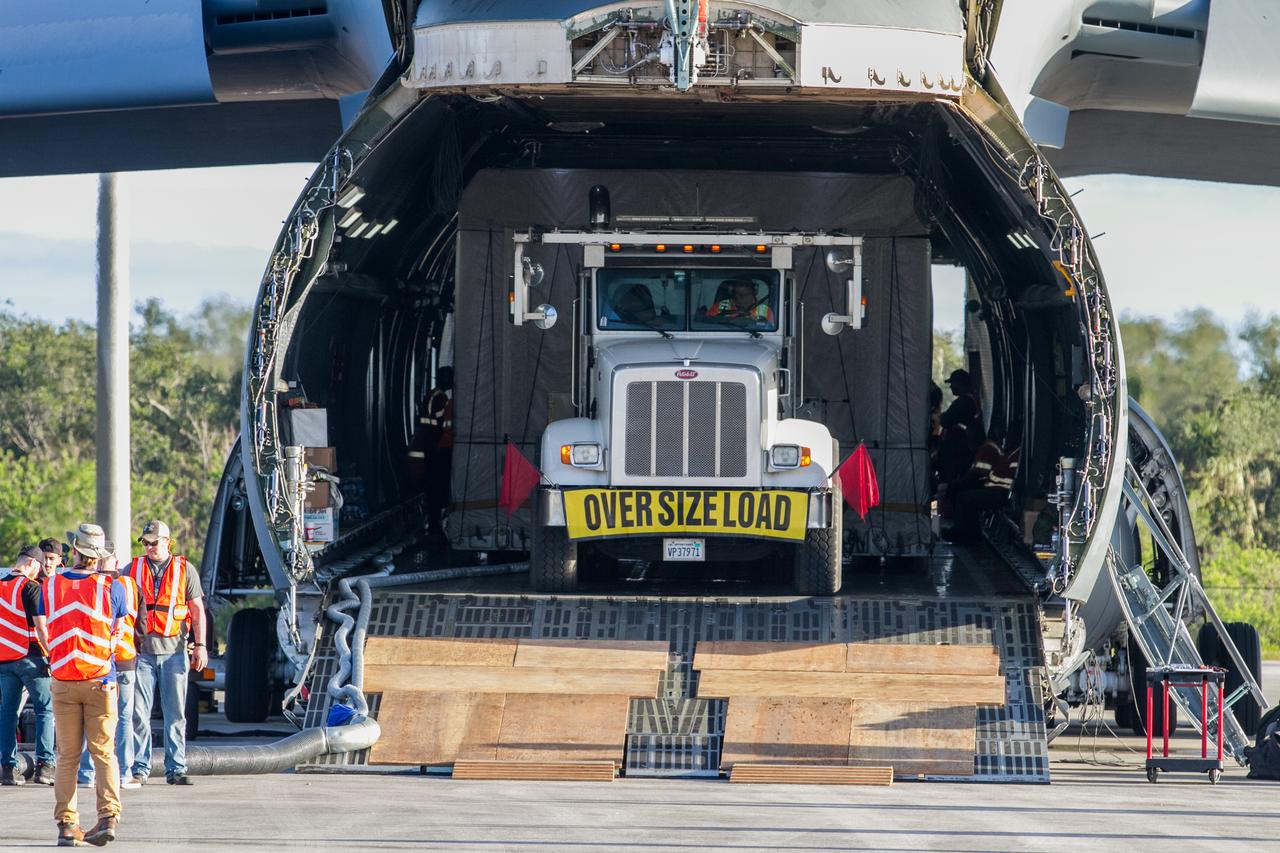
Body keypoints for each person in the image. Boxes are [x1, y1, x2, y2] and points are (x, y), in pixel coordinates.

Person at [35, 523, 128, 847]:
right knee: (104, 754)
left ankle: (66, 824)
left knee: (67, 757)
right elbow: (117, 630)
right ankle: (108, 817)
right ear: (98, 555)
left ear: (74, 550)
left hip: (62, 680)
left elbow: (43, 629)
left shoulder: (50, 586)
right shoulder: (112, 587)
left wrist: (57, 658)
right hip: (100, 681)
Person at [127, 520, 205, 787]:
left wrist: (201, 645)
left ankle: (176, 768)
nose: (149, 547)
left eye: (154, 542)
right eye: (146, 543)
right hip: (141, 654)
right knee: (139, 714)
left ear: (168, 542)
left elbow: (197, 612)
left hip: (174, 653)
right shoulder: (132, 569)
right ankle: (140, 768)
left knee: (175, 714)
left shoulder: (185, 569)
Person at [77, 543, 145, 791]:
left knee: (92, 717)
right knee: (125, 718)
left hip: (94, 662)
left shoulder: (86, 586)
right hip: (125, 660)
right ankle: (125, 773)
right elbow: (142, 625)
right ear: (116, 561)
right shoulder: (130, 585)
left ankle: (86, 773)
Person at [0, 545, 55, 787]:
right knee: (45, 710)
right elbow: (42, 628)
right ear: (33, 563)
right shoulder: (31, 588)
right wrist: (52, 654)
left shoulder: (1, 585)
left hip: (5, 661)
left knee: (8, 714)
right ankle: (45, 766)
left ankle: (8, 769)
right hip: (32, 659)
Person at [706, 278, 775, 325]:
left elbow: (771, 329)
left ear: (754, 291)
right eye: (740, 295)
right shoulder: (719, 306)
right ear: (732, 291)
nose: (743, 299)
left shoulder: (765, 310)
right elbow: (707, 325)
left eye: (747, 285)